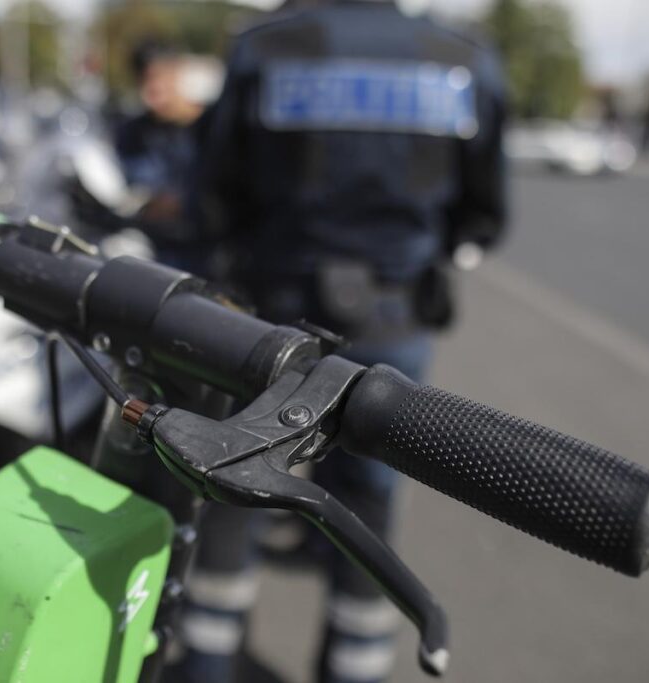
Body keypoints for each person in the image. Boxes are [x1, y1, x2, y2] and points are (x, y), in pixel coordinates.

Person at [179, 2, 508, 682]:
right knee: (366, 508)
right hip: (394, 318)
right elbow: (484, 212)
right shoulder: (461, 60)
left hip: (266, 323)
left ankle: (207, 662)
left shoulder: (267, 48)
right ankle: (354, 668)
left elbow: (211, 189)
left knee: (237, 481)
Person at [115, 40, 206, 272]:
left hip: (206, 254)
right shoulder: (132, 133)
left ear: (177, 73)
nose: (152, 90)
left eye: (158, 78)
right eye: (144, 80)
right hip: (152, 255)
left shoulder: (211, 128)